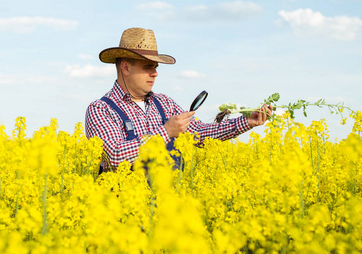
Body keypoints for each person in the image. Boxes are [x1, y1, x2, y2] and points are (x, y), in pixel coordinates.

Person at [85, 27, 272, 172]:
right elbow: (115, 156)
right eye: (148, 66)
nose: (155, 73)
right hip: (123, 214)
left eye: (156, 67)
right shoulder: (101, 109)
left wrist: (247, 121)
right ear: (125, 68)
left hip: (170, 212)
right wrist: (166, 132)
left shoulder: (164, 103)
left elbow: (199, 134)